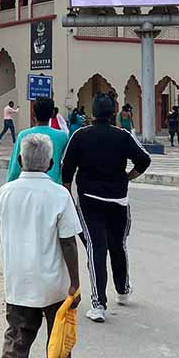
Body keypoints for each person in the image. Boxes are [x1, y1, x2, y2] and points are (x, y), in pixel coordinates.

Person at [0, 132, 82, 358]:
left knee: (17, 336)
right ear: (51, 162)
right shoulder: (58, 194)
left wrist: (14, 245)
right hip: (53, 283)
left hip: (18, 281)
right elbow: (68, 241)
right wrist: (75, 283)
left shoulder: (6, 192)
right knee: (59, 337)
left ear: (19, 160)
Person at [62, 91, 152, 323]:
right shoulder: (122, 136)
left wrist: (68, 198)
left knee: (96, 248)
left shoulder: (81, 136)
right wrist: (128, 177)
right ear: (113, 112)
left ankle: (98, 304)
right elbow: (145, 159)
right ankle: (122, 289)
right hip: (118, 200)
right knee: (118, 245)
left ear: (92, 113)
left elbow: (67, 170)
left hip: (89, 199)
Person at [7, 96, 69, 185]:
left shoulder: (23, 135)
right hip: (53, 185)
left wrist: (9, 185)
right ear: (53, 113)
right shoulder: (62, 136)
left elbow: (15, 167)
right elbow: (66, 166)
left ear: (33, 113)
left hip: (27, 185)